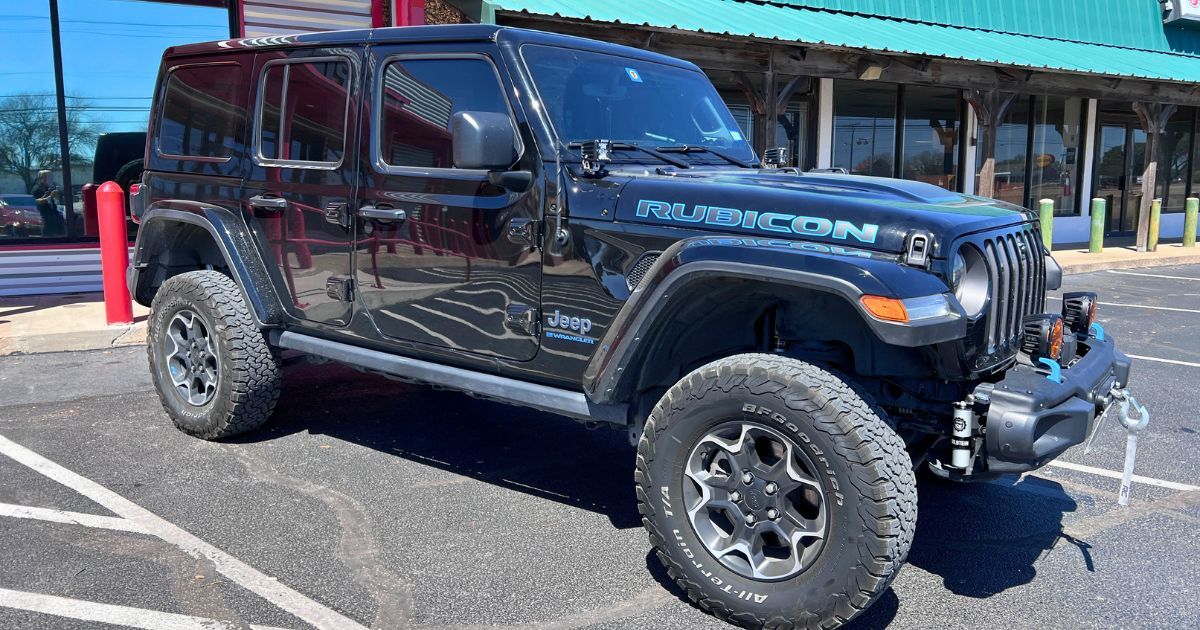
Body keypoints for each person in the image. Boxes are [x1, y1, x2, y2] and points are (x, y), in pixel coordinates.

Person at [30, 170, 65, 236]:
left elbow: (60, 201)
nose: (50, 179)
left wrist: (60, 195)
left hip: (56, 217)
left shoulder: (51, 187)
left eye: (51, 177)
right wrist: (50, 196)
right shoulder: (37, 189)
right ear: (41, 178)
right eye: (48, 177)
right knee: (48, 238)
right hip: (45, 217)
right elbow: (38, 201)